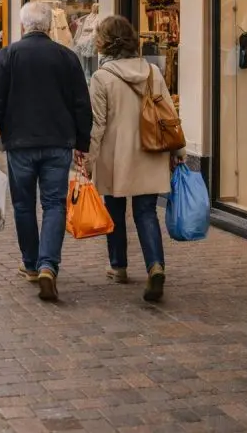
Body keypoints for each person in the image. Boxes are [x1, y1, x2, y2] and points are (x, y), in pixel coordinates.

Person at [0, 1, 92, 302]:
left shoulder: (8, 56)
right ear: (49, 25)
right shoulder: (67, 58)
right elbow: (81, 104)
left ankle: (30, 263)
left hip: (20, 144)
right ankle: (47, 265)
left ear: (23, 25)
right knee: (55, 204)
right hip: (58, 142)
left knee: (25, 205)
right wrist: (83, 143)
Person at [86, 15, 179, 303]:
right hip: (150, 152)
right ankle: (156, 266)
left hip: (116, 158)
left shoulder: (102, 77)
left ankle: (118, 266)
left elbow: (97, 125)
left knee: (114, 211)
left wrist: (88, 159)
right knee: (146, 212)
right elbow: (169, 114)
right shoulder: (152, 71)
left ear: (105, 43)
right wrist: (178, 151)